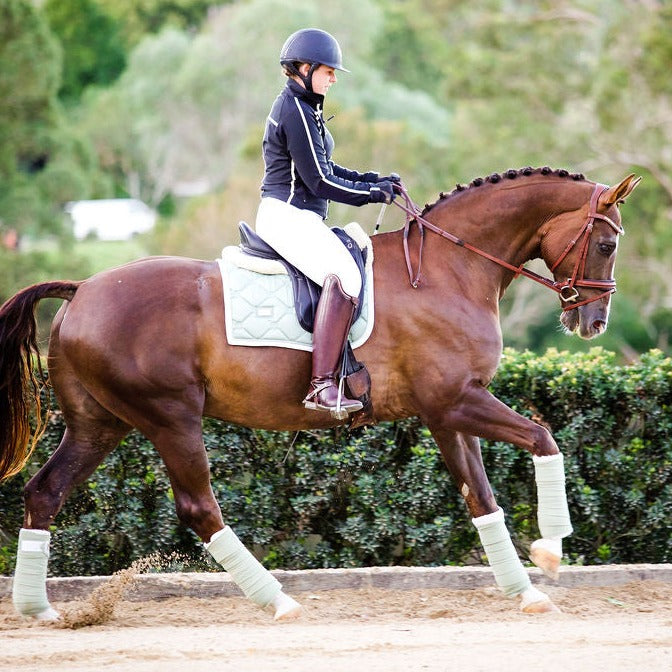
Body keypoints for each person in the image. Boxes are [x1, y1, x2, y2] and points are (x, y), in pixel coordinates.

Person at [256, 27, 401, 416]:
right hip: (286, 215)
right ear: (304, 68)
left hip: (298, 216)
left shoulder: (306, 108)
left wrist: (373, 181)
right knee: (346, 276)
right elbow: (319, 182)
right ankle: (321, 385)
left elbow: (326, 167)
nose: (334, 78)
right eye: (328, 71)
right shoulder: (295, 110)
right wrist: (370, 196)